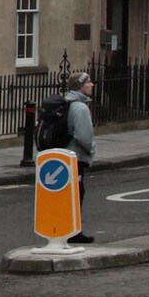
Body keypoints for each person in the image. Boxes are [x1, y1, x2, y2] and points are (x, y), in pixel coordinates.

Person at [66, 73, 97, 244]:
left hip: (64, 155)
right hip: (75, 157)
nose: (92, 84)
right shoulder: (80, 108)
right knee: (77, 193)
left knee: (69, 193)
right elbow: (84, 137)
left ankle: (69, 230)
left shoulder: (67, 102)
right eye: (88, 82)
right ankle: (73, 232)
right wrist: (92, 149)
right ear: (80, 86)